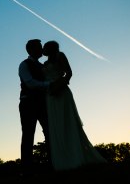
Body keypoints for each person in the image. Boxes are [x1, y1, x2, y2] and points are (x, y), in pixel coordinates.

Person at [42, 40, 107, 171]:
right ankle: (63, 159)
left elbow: (69, 73)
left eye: (45, 47)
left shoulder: (60, 56)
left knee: (67, 122)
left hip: (62, 92)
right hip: (50, 97)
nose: (43, 49)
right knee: (57, 125)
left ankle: (76, 157)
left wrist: (60, 85)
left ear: (50, 48)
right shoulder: (44, 63)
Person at [18, 39, 54, 177]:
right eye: (39, 47)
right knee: (28, 134)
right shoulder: (24, 65)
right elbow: (30, 83)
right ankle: (27, 169)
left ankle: (53, 164)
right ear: (31, 50)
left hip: (43, 103)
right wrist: (49, 84)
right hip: (28, 104)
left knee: (49, 133)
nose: (42, 49)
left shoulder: (42, 65)